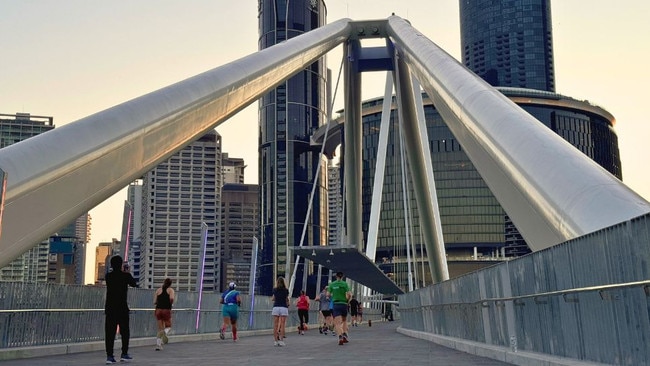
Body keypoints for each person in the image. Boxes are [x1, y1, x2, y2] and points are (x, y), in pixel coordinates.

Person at [104, 255, 138, 364]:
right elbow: (134, 284)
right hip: (122, 308)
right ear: (121, 264)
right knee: (125, 332)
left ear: (111, 265)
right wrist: (127, 271)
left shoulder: (108, 276)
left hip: (110, 308)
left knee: (109, 333)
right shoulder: (126, 276)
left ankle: (110, 356)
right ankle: (124, 354)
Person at [327, 271, 351, 345]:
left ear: (336, 276)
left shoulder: (332, 284)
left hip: (336, 304)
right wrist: (348, 301)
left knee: (337, 323)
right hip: (344, 304)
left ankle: (340, 336)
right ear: (342, 277)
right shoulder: (345, 284)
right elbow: (349, 294)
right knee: (344, 321)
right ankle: (345, 334)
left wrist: (333, 296)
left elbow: (328, 295)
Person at [153, 278, 175, 350]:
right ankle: (165, 333)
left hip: (158, 310)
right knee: (168, 326)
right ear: (170, 284)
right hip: (166, 310)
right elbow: (171, 299)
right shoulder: (170, 290)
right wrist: (170, 305)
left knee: (160, 329)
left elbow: (155, 301)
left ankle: (158, 345)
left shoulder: (158, 290)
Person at [271, 276, 290, 346]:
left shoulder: (275, 290)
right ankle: (281, 341)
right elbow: (286, 299)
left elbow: (273, 298)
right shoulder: (286, 290)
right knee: (282, 325)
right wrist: (288, 303)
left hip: (276, 307)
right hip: (283, 307)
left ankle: (275, 341)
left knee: (275, 325)